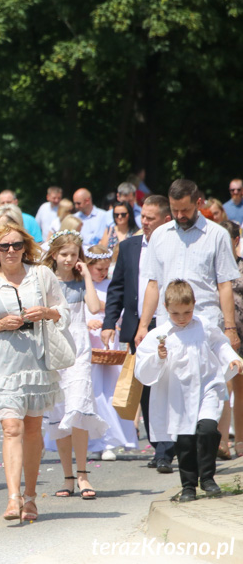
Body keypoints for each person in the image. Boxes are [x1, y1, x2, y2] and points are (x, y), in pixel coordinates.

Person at [0, 224, 67, 522]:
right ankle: (13, 498)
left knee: (33, 429)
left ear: (26, 246)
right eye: (4, 246)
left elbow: (64, 311)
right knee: (11, 428)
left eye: (17, 245)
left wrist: (46, 313)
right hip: (3, 361)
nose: (11, 251)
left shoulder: (41, 275)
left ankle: (31, 497)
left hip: (36, 360)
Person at [135, 280, 243, 502]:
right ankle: (188, 485)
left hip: (206, 387)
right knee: (184, 440)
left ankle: (208, 478)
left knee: (207, 429)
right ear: (166, 308)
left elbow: (219, 344)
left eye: (187, 312)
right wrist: (159, 356)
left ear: (195, 305)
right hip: (178, 395)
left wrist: (232, 358)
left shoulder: (203, 325)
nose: (182, 318)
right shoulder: (160, 334)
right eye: (176, 313)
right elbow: (142, 366)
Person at [101, 195, 176, 472]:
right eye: (142, 217)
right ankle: (161, 448)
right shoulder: (129, 247)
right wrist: (110, 322)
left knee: (168, 384)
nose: (144, 222)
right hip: (138, 328)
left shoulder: (175, 246)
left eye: (150, 218)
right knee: (145, 388)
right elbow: (117, 289)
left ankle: (171, 446)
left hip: (169, 324)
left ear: (165, 220)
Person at [135, 179, 241, 354]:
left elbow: (224, 285)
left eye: (185, 210)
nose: (179, 215)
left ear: (198, 203)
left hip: (206, 324)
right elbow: (153, 284)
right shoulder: (159, 235)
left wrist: (230, 329)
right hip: (168, 326)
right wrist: (143, 326)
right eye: (174, 210)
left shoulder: (217, 235)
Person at [42, 231, 107, 499]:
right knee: (60, 413)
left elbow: (93, 307)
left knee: (79, 408)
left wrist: (88, 275)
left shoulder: (82, 282)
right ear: (54, 255)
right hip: (55, 351)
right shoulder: (46, 282)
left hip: (79, 351)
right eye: (64, 254)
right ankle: (67, 476)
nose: (69, 259)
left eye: (74, 254)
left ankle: (83, 474)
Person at [84, 245, 138, 461]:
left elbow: (122, 310)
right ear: (88, 267)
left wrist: (107, 309)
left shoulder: (111, 285)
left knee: (111, 392)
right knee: (93, 392)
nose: (103, 273)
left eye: (106, 268)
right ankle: (94, 442)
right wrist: (89, 322)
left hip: (109, 344)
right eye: (98, 269)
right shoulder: (83, 286)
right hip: (90, 344)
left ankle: (111, 441)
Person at [218, 220, 243, 459]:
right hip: (220, 332)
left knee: (241, 388)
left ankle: (241, 442)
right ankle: (223, 441)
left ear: (235, 240)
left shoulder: (241, 266)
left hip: (242, 332)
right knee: (222, 385)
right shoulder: (214, 267)